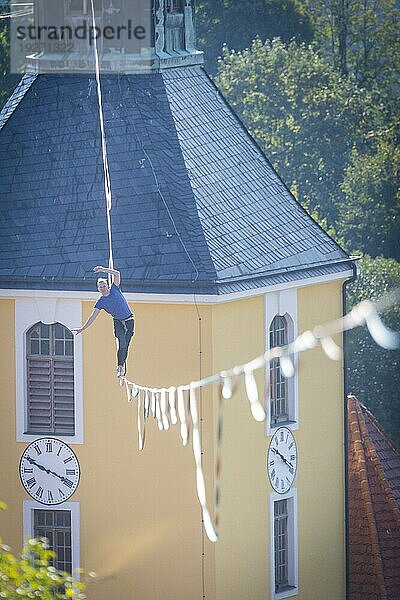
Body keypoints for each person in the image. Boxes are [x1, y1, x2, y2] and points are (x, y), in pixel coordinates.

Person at [72, 266, 134, 378]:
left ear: (107, 286)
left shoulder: (115, 289)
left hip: (129, 320)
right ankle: (119, 367)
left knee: (126, 345)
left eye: (104, 286)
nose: (103, 288)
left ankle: (122, 364)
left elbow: (117, 274)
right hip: (118, 322)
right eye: (100, 287)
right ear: (98, 289)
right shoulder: (101, 302)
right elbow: (92, 317)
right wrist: (82, 328)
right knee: (122, 344)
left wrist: (103, 270)